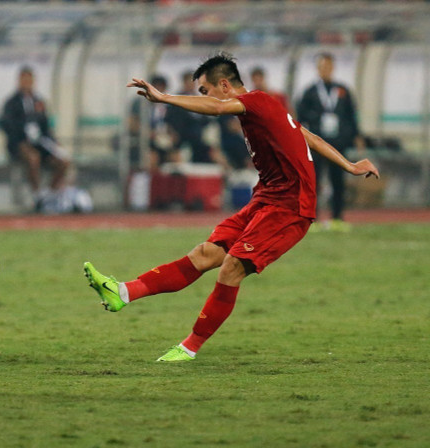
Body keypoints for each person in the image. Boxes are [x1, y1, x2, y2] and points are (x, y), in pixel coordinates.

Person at [83, 53, 379, 361]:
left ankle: (188, 348)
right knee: (204, 254)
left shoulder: (256, 102)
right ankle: (123, 293)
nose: (204, 98)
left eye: (205, 90)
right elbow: (311, 138)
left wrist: (165, 98)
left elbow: (217, 108)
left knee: (232, 267)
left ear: (224, 86)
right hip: (265, 200)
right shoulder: (265, 110)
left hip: (290, 208)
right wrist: (350, 164)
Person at [296, 52, 363, 230]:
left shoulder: (342, 90)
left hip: (338, 143)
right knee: (314, 181)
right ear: (318, 69)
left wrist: (355, 136)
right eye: (322, 67)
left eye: (328, 66)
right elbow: (300, 116)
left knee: (338, 180)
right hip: (317, 143)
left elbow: (351, 115)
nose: (325, 70)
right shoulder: (310, 92)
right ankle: (313, 219)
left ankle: (337, 218)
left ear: (333, 68)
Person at [0, 65, 70, 210]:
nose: (27, 83)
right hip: (19, 144)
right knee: (33, 158)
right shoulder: (12, 103)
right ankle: (37, 194)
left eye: (29, 80)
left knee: (63, 160)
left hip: (40, 143)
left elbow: (45, 127)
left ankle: (48, 194)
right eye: (24, 79)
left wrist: (55, 144)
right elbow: (6, 125)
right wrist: (21, 140)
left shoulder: (39, 102)